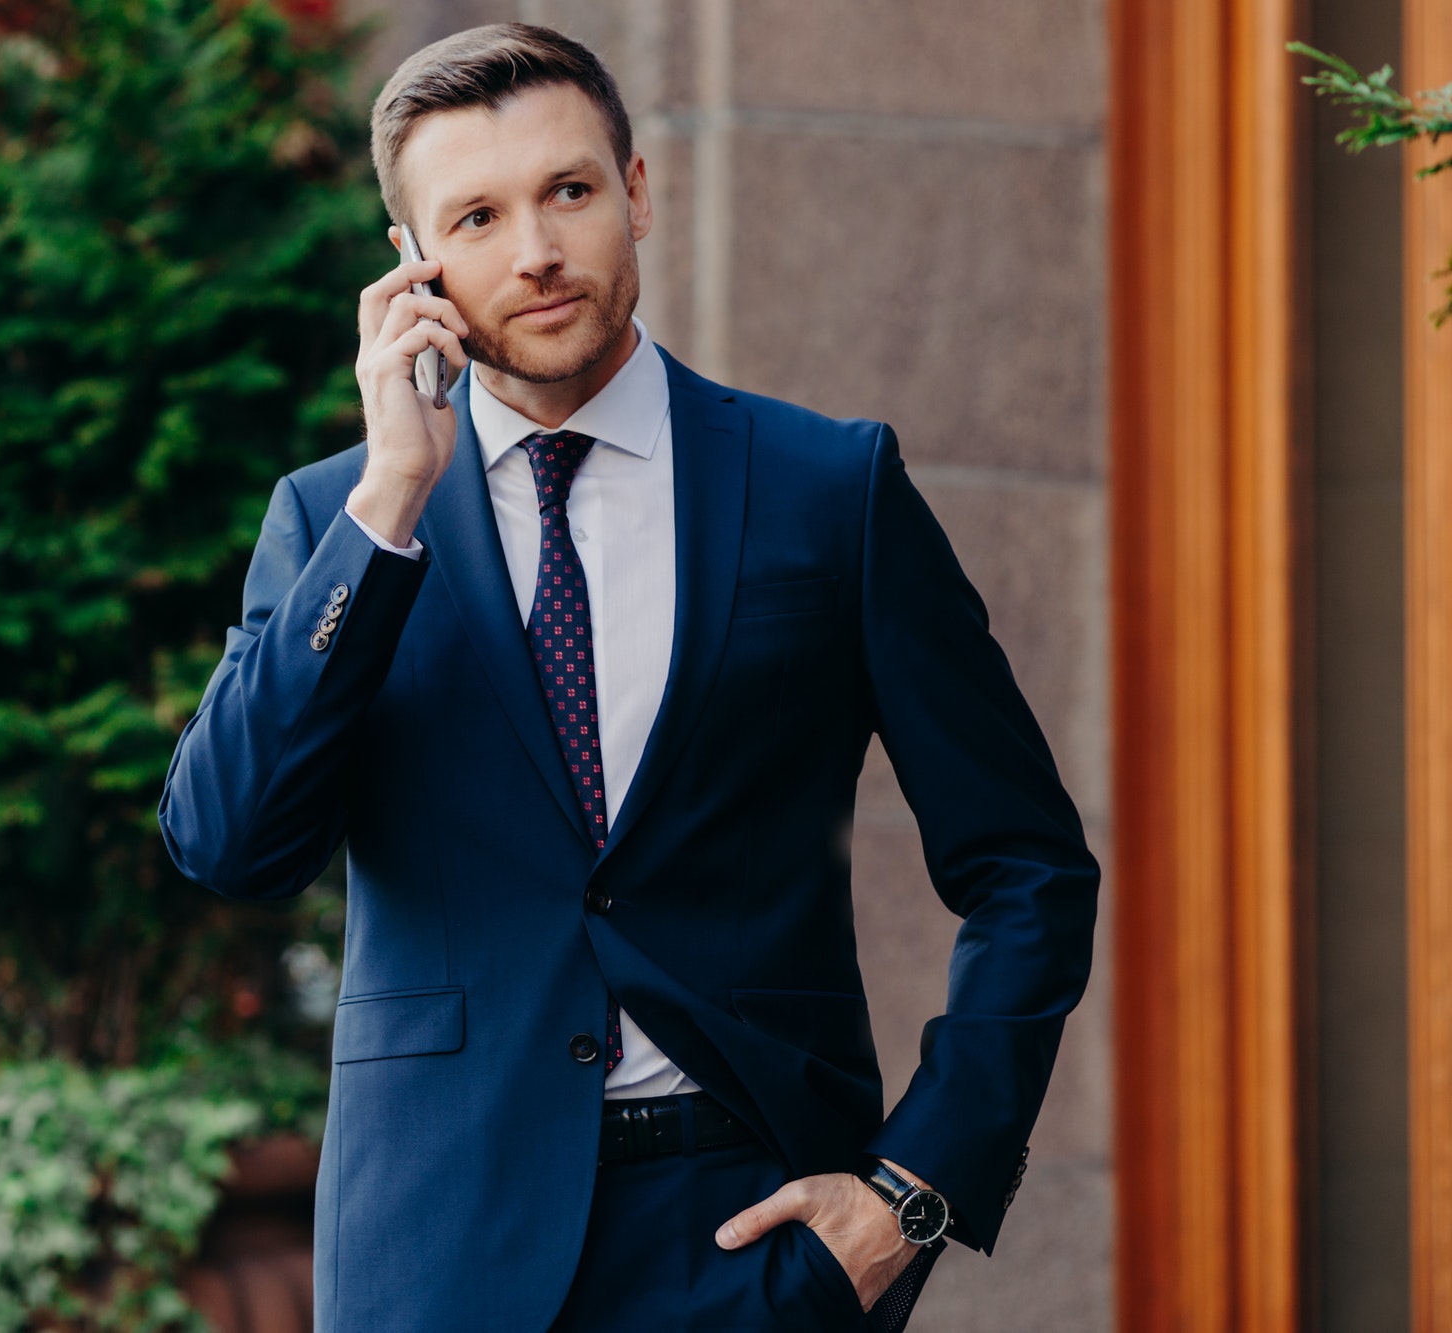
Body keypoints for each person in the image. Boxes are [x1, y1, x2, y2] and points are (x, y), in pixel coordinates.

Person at [159, 22, 1098, 1333]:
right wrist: (387, 505)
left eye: (570, 191)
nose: (535, 249)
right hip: (437, 1254)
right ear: (413, 265)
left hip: (755, 1240)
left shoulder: (828, 491)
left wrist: (915, 1188)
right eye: (476, 216)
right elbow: (230, 842)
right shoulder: (342, 520)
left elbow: (1028, 865)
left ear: (638, 193)